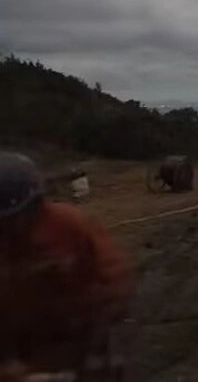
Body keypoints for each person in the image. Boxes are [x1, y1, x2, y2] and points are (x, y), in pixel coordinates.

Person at [0, 152, 134, 379]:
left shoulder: (70, 227)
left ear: (35, 206)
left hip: (80, 332)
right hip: (19, 342)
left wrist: (79, 357)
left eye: (14, 219)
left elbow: (113, 282)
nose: (9, 229)